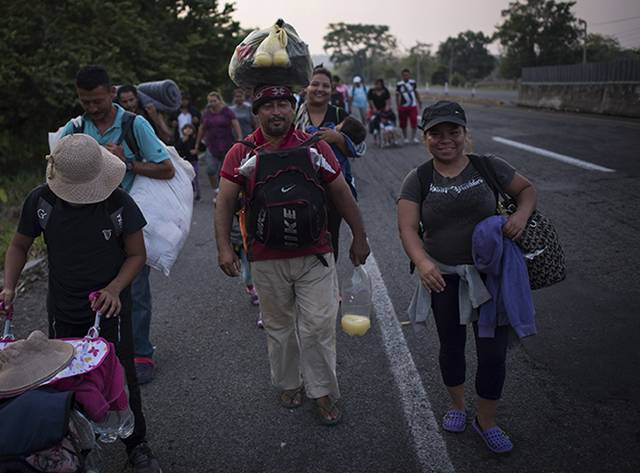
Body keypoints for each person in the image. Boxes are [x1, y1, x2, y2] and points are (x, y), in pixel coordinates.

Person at [0, 133, 162, 473]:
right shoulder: (41, 203)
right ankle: (71, 445)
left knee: (119, 373)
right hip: (63, 307)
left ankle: (136, 445)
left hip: (110, 309)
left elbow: (136, 255)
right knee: (64, 375)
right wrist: (8, 287)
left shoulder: (119, 204)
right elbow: (18, 246)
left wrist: (114, 289)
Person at [215, 84, 371, 426]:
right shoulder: (241, 152)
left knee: (318, 326)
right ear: (256, 113)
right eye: (268, 106)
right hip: (266, 257)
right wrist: (225, 248)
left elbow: (342, 193)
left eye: (283, 104)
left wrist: (360, 236)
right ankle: (288, 383)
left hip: (315, 253)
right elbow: (225, 200)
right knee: (279, 326)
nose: (276, 112)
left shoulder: (314, 146)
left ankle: (322, 390)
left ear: (292, 108)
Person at [397, 101, 538, 453]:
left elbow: (527, 190)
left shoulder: (488, 167)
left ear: (464, 134)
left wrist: (520, 215)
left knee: (493, 355)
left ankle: (486, 421)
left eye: (453, 132)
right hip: (443, 279)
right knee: (452, 347)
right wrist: (422, 262)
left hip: (492, 278)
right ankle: (458, 406)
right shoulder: (419, 178)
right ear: (425, 137)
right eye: (436, 134)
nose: (445, 140)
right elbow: (407, 228)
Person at [60, 66, 175, 385]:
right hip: (87, 216)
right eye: (86, 101)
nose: (92, 108)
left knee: (134, 288)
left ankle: (140, 353)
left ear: (112, 93)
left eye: (97, 100)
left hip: (128, 216)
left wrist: (125, 163)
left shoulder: (134, 124)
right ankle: (99, 351)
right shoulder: (76, 128)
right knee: (93, 286)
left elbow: (166, 169)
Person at [295, 67, 366, 260]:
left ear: (332, 90)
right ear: (306, 88)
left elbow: (358, 148)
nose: (320, 89)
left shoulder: (338, 114)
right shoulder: (294, 113)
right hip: (299, 186)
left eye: (325, 86)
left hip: (333, 190)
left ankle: (329, 285)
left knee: (330, 235)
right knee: (299, 235)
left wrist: (338, 138)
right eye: (315, 84)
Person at [195, 91, 242, 202]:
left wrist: (240, 138)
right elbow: (201, 128)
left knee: (224, 171)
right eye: (210, 101)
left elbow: (235, 123)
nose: (212, 103)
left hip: (226, 144)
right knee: (210, 170)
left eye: (214, 101)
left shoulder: (227, 111)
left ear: (219, 100)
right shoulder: (206, 113)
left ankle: (223, 193)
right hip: (211, 144)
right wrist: (197, 144)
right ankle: (216, 190)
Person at [175, 123, 201, 201]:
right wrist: (182, 142)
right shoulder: (181, 139)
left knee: (195, 177)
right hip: (185, 161)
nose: (188, 130)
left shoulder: (194, 139)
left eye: (190, 129)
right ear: (183, 130)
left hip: (193, 161)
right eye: (186, 128)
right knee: (187, 178)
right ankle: (190, 193)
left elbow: (202, 146)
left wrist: (196, 150)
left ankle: (198, 193)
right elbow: (176, 148)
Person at [396, 69, 422, 144]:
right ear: (402, 76)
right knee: (403, 123)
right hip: (403, 106)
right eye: (404, 75)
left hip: (412, 106)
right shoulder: (399, 84)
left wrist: (419, 101)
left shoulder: (413, 83)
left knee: (414, 121)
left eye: (407, 75)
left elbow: (416, 92)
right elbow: (397, 95)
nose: (406, 76)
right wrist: (398, 105)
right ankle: (405, 138)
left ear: (409, 75)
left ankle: (413, 137)